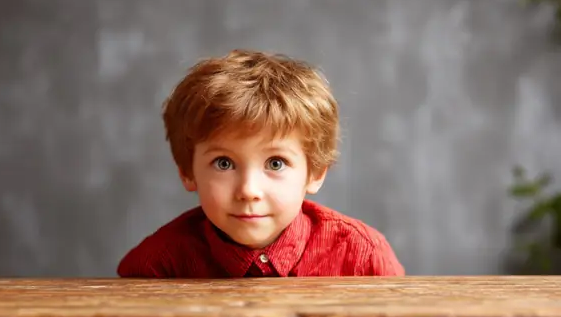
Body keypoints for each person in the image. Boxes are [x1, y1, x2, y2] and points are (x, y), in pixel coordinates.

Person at [117, 49, 404, 278]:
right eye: (224, 163)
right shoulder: (157, 266)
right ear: (187, 171)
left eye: (276, 163)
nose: (248, 190)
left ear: (314, 173)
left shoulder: (363, 257)